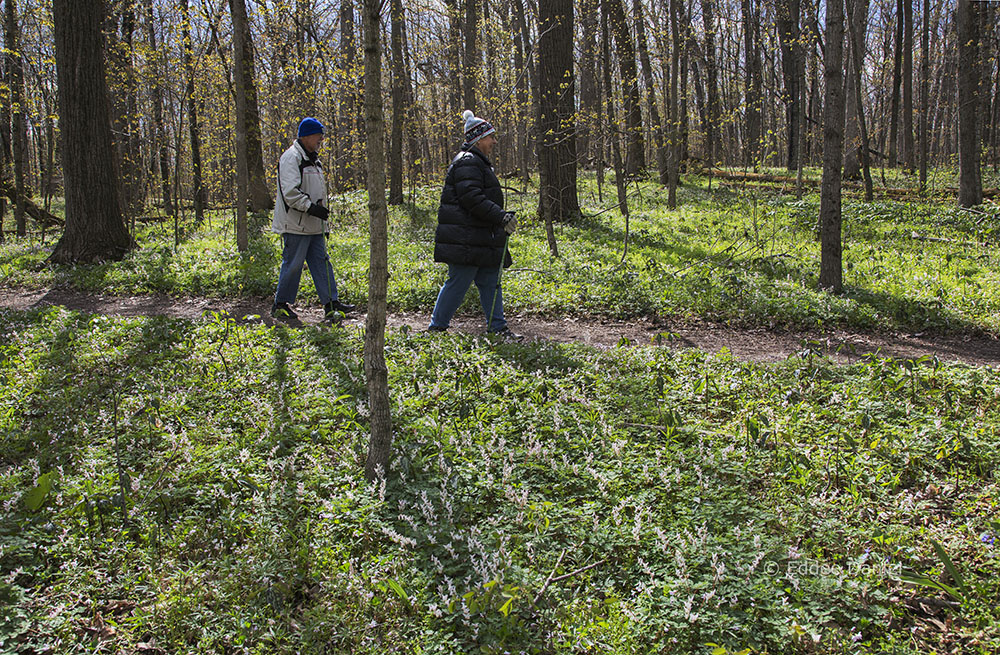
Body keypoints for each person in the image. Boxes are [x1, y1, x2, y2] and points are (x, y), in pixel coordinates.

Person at [428, 110, 519, 339]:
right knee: (458, 282)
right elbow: (472, 198)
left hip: (480, 238)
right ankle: (437, 328)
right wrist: (500, 216)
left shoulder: (476, 162)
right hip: (466, 239)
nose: (494, 141)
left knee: (490, 282)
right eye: (490, 137)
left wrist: (499, 218)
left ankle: (497, 328)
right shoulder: (467, 162)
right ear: (479, 139)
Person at [270, 117, 355, 320]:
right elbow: (290, 192)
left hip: (314, 225)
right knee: (293, 264)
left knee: (321, 262)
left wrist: (320, 214)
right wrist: (311, 208)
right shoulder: (291, 158)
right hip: (296, 224)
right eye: (318, 135)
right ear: (306, 135)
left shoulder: (313, 158)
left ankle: (331, 304)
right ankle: (280, 304)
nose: (321, 139)